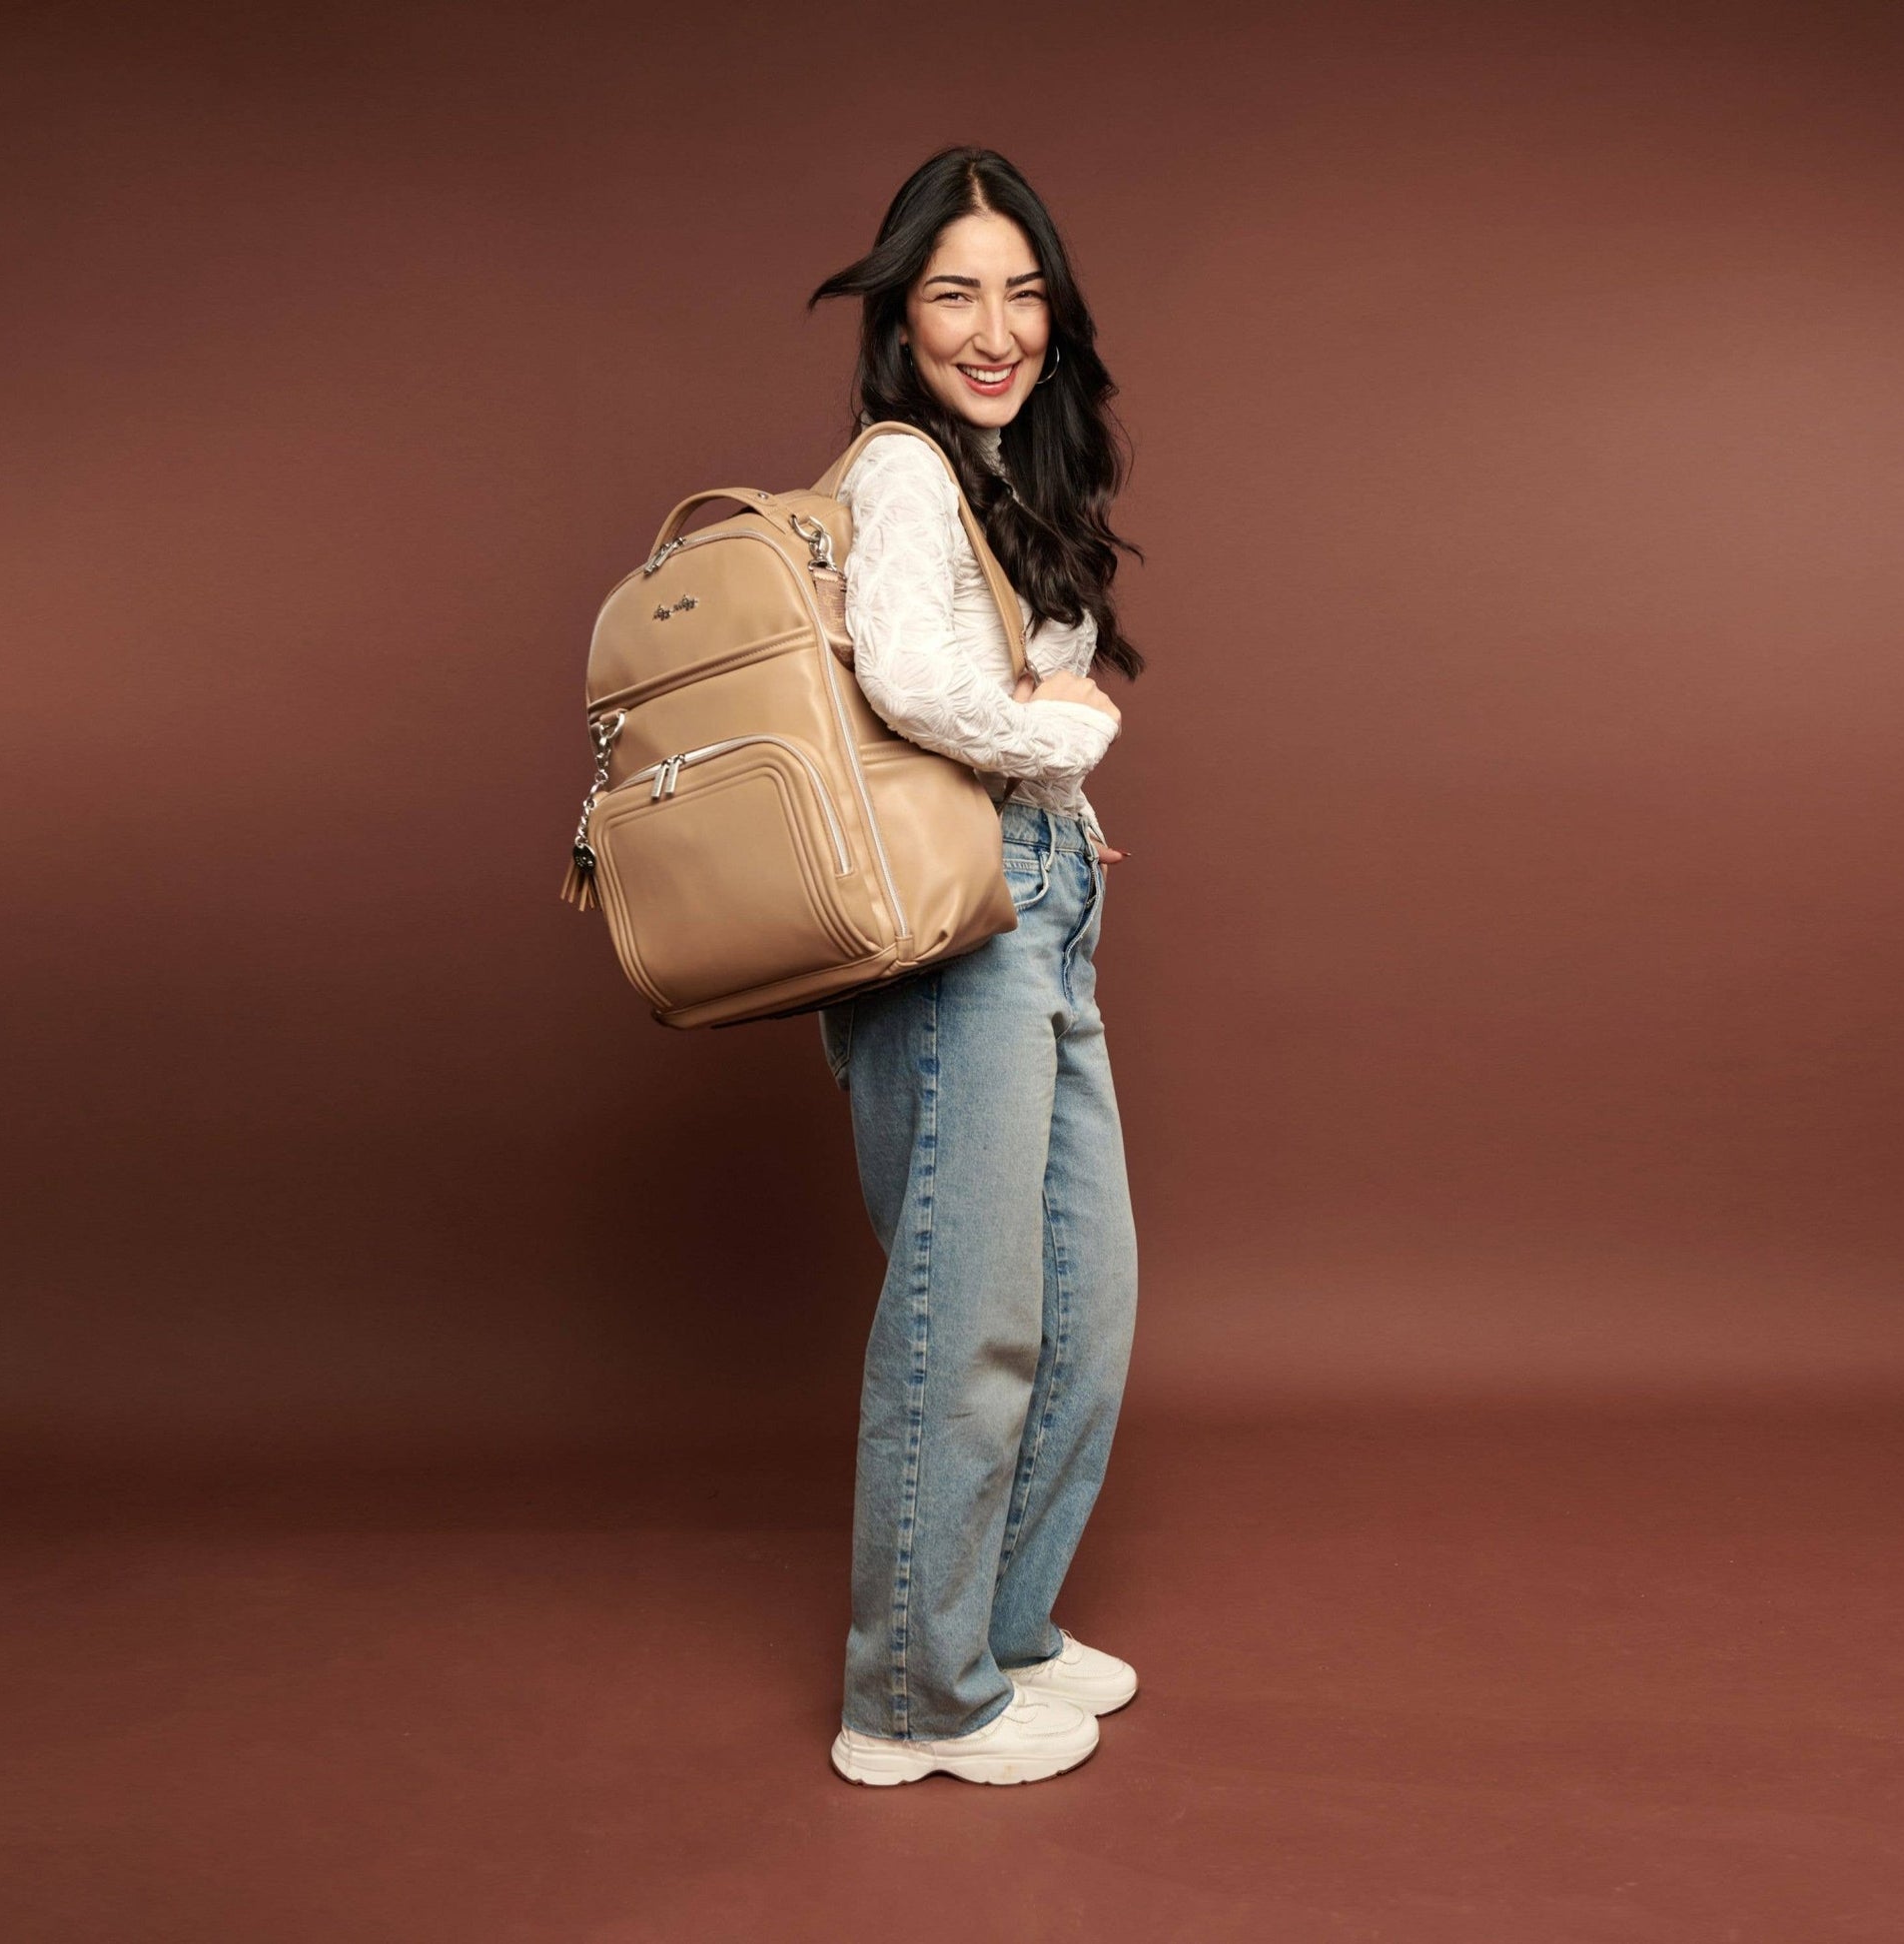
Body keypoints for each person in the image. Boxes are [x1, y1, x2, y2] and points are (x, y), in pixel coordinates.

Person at [806, 147, 1146, 1787]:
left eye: (1020, 291)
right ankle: (909, 1698)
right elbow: (918, 683)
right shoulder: (899, 472)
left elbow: (983, 684)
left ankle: (1000, 1627)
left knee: (1083, 1298)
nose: (993, 325)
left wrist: (1057, 798)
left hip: (1041, 905)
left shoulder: (1004, 481)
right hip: (956, 927)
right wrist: (1058, 738)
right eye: (954, 292)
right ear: (900, 316)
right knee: (968, 1314)